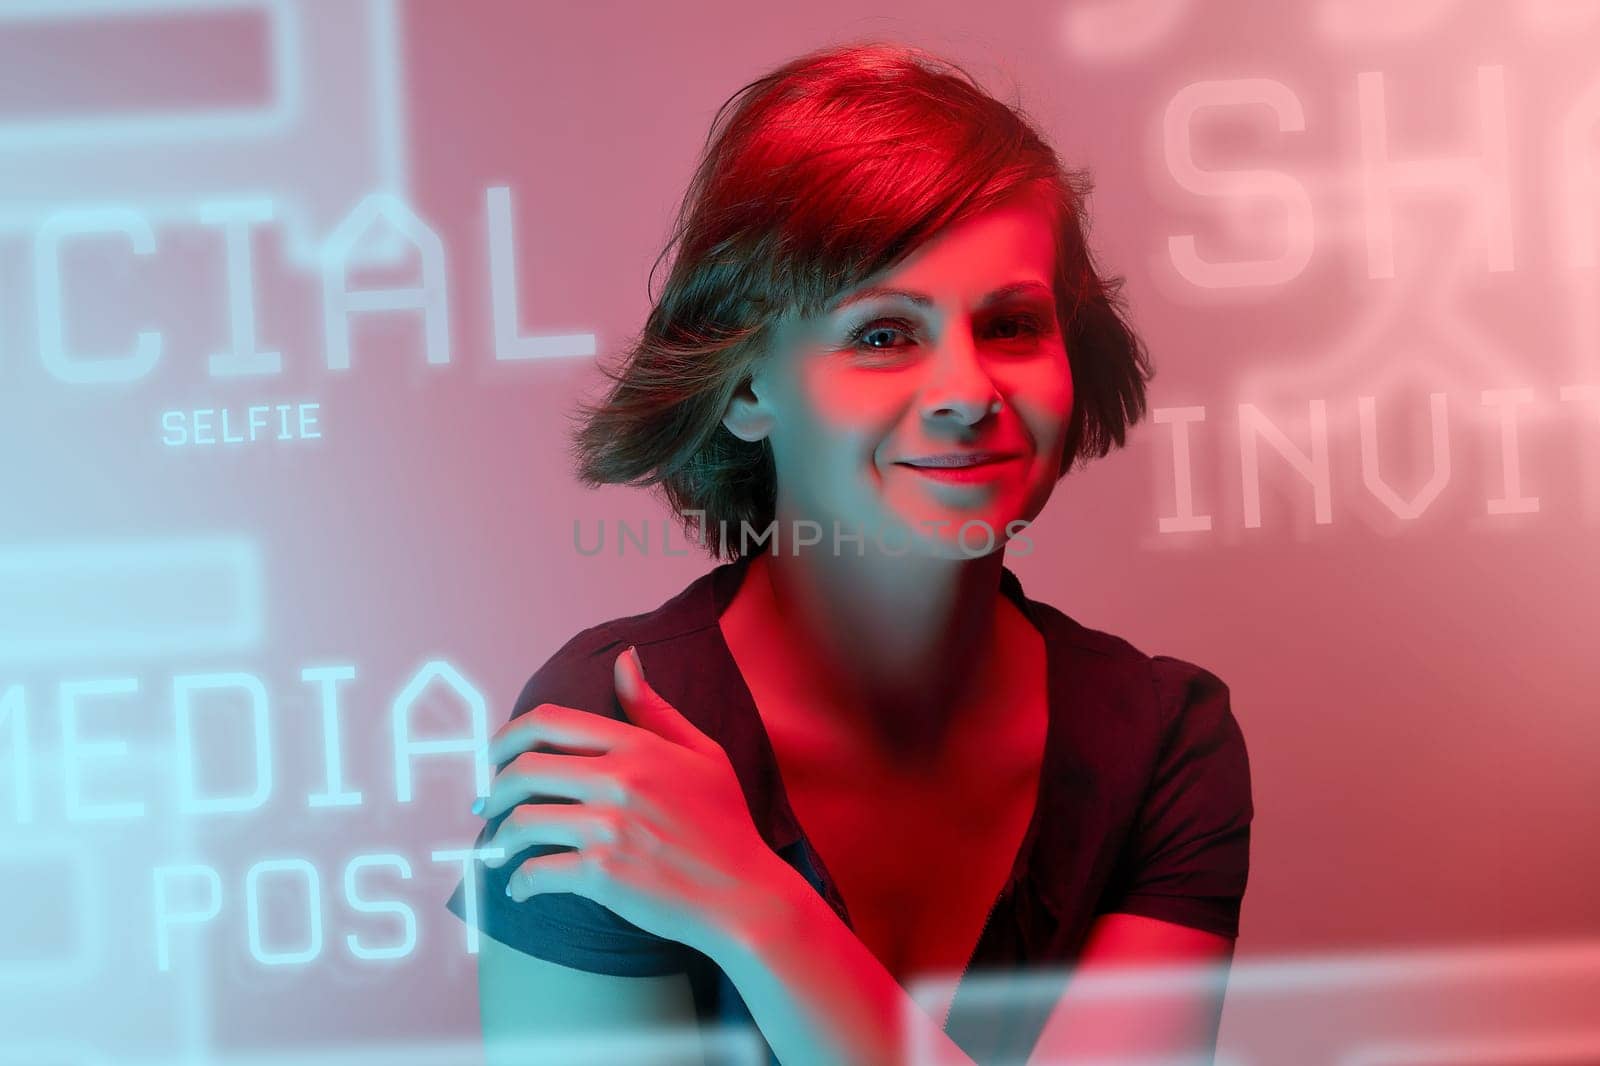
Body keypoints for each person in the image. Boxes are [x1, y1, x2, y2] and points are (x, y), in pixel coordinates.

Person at [445, 39, 1252, 1066]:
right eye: (881, 335)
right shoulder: (607, 735)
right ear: (743, 390)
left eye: (1010, 324)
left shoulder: (1164, 741)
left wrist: (759, 909)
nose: (967, 393)